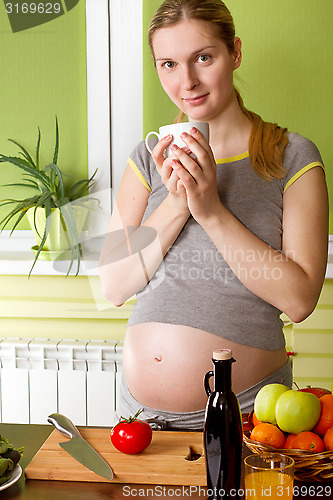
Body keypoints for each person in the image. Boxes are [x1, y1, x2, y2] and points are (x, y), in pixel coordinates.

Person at [99, 0, 328, 430]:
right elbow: (114, 284)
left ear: (234, 53)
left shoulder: (292, 156)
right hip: (141, 421)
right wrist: (176, 202)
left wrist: (211, 211)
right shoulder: (147, 160)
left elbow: (300, 301)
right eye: (168, 64)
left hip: (245, 416)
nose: (187, 82)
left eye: (203, 57)